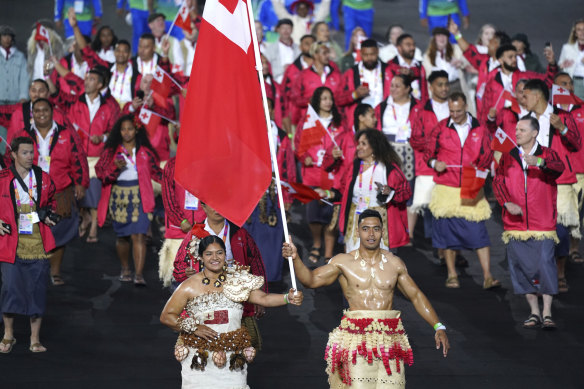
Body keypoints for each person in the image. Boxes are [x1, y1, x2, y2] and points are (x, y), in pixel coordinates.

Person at [282, 209, 449, 387]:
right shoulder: (343, 262)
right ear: (357, 232)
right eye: (366, 229)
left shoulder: (395, 264)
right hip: (356, 340)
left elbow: (415, 295)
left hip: (389, 340)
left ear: (382, 232)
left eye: (376, 229)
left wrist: (438, 326)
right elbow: (311, 280)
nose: (371, 234)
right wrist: (296, 258)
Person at [161, 235, 303, 388]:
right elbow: (167, 316)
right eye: (209, 254)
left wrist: (287, 298)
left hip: (233, 361)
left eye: (219, 253)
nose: (215, 257)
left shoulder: (237, 281)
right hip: (199, 362)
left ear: (225, 254)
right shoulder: (189, 286)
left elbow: (264, 298)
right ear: (201, 257)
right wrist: (194, 327)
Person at [493, 117, 564, 330]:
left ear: (534, 133)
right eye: (517, 129)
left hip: (542, 222)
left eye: (522, 130)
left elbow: (558, 168)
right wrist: (507, 202)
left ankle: (547, 312)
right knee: (522, 268)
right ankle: (534, 312)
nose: (517, 133)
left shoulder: (547, 154)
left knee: (545, 264)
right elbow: (498, 182)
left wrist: (539, 162)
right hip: (516, 223)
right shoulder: (508, 156)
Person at [424, 92, 499, 289]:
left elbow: (487, 155)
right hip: (446, 188)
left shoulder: (480, 129)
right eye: (451, 111)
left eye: (458, 111)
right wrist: (435, 162)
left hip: (470, 185)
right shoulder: (440, 128)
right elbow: (427, 153)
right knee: (447, 235)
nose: (454, 115)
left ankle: (488, 276)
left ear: (466, 107)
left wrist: (480, 169)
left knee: (479, 233)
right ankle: (451, 274)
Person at [12, 98, 89, 286]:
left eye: (44, 110)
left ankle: (54, 272)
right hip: (28, 195)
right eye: (36, 111)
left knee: (58, 234)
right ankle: (30, 271)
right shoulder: (22, 135)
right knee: (28, 233)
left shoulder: (66, 134)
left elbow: (79, 159)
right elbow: (10, 161)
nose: (41, 114)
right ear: (32, 113)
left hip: (60, 191)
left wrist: (80, 183)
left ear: (52, 111)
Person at [172, 203, 269, 349]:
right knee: (200, 352)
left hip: (235, 300)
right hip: (203, 302)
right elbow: (178, 267)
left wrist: (262, 296)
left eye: (220, 204)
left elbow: (256, 265)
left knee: (238, 350)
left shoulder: (240, 234)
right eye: (212, 205)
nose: (217, 208)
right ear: (203, 208)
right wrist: (185, 273)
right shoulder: (194, 235)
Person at [0, 137, 58, 354]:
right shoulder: (3, 178)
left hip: (38, 240)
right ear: (13, 154)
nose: (30, 157)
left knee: (37, 288)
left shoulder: (43, 178)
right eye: (24, 153)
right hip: (10, 241)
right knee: (10, 288)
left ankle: (35, 338)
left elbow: (52, 201)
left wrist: (50, 215)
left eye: (31, 153)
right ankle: (8, 334)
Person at [523, 79, 581, 293]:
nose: (523, 98)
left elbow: (577, 143)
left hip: (561, 180)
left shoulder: (563, 116)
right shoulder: (526, 120)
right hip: (536, 178)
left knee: (561, 231)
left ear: (537, 96)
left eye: (525, 94)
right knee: (538, 229)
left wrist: (563, 128)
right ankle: (539, 272)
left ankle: (560, 272)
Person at [95, 115, 162, 286]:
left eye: (130, 129)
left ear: (136, 130)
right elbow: (101, 174)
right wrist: (114, 168)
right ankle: (125, 268)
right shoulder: (111, 152)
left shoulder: (146, 152)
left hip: (141, 196)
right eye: (123, 129)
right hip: (119, 198)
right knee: (123, 236)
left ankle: (138, 274)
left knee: (139, 235)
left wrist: (177, 182)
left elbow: (158, 173)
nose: (126, 132)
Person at [321, 129, 411, 252]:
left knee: (378, 265)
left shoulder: (388, 168)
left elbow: (405, 192)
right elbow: (343, 190)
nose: (358, 147)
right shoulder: (354, 166)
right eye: (358, 144)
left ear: (374, 146)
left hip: (379, 223)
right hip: (356, 221)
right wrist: (326, 193)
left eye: (363, 144)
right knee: (355, 263)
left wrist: (390, 192)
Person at [294, 86, 352, 263]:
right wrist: (304, 158)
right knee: (314, 213)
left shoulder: (339, 123)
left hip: (333, 174)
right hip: (312, 174)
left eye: (330, 98)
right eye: (324, 98)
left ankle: (328, 252)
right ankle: (316, 244)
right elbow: (297, 145)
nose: (328, 102)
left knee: (331, 213)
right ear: (317, 101)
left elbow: (348, 143)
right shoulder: (308, 122)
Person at [67, 69, 121, 244]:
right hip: (79, 154)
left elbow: (114, 131)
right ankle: (85, 217)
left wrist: (103, 137)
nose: (87, 81)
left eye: (92, 79)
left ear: (99, 85)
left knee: (95, 190)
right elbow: (68, 125)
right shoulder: (76, 104)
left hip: (98, 156)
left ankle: (92, 226)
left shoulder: (108, 106)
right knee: (79, 190)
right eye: (87, 78)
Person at [410, 70, 450, 244]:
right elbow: (415, 139)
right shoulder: (421, 110)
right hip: (426, 165)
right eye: (439, 84)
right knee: (425, 205)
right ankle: (430, 243)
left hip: (450, 165)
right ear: (431, 86)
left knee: (446, 207)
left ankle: (445, 246)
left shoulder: (455, 108)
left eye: (446, 84)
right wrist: (435, 145)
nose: (444, 88)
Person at [480, 43, 557, 126]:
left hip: (525, 122)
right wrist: (489, 118)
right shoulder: (492, 82)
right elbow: (484, 109)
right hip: (500, 126)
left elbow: (548, 82)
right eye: (510, 57)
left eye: (515, 56)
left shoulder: (526, 76)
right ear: (500, 60)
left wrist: (552, 64)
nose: (514, 60)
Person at [158, 156, 206, 288]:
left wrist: (206, 221)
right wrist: (181, 220)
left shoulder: (207, 163)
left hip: (204, 229)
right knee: (178, 281)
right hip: (178, 231)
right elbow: (168, 197)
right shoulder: (172, 165)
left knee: (203, 279)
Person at [553, 72, 584, 264]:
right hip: (561, 173)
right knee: (562, 213)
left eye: (570, 83)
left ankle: (574, 247)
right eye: (563, 84)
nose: (568, 87)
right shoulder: (549, 113)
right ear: (555, 88)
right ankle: (559, 251)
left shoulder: (582, 108)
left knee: (578, 212)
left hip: (581, 170)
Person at [291, 42, 349, 127]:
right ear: (315, 55)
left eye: (328, 52)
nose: (328, 55)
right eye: (324, 53)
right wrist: (312, 100)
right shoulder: (303, 76)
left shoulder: (336, 75)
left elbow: (343, 96)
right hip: (310, 121)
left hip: (333, 121)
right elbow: (295, 98)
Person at [342, 39, 389, 130]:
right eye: (365, 55)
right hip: (361, 122)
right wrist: (355, 94)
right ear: (360, 54)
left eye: (372, 54)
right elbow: (339, 98)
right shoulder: (351, 73)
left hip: (384, 119)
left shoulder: (389, 70)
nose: (369, 58)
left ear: (378, 52)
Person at [281, 34, 315, 129]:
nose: (310, 47)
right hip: (297, 118)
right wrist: (285, 116)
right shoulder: (292, 69)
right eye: (307, 44)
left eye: (313, 44)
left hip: (321, 117)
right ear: (300, 47)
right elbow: (284, 94)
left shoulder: (327, 68)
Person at [422, 27, 470, 95]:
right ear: (434, 39)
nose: (442, 38)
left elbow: (469, 57)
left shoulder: (456, 49)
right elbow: (426, 75)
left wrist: (461, 62)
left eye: (444, 36)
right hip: (437, 88)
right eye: (439, 36)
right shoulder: (427, 56)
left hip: (455, 85)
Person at [385, 34, 428, 101]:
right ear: (399, 48)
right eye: (408, 45)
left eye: (413, 45)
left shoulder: (420, 66)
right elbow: (387, 91)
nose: (412, 48)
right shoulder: (390, 66)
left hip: (419, 108)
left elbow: (425, 91)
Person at [265, 19, 301, 84]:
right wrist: (283, 69)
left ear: (292, 30)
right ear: (278, 30)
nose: (285, 31)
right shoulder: (270, 49)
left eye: (288, 28)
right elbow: (266, 66)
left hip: (296, 82)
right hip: (277, 82)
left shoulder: (298, 48)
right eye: (283, 28)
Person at [0, 26, 29, 105]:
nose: (7, 39)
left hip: (15, 99)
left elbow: (24, 78)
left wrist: (23, 96)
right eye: (4, 36)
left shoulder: (20, 57)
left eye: (9, 36)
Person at [558, 19, 584, 99]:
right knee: (576, 107)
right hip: (575, 82)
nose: (582, 32)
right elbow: (560, 65)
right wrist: (563, 65)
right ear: (575, 33)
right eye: (579, 30)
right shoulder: (567, 48)